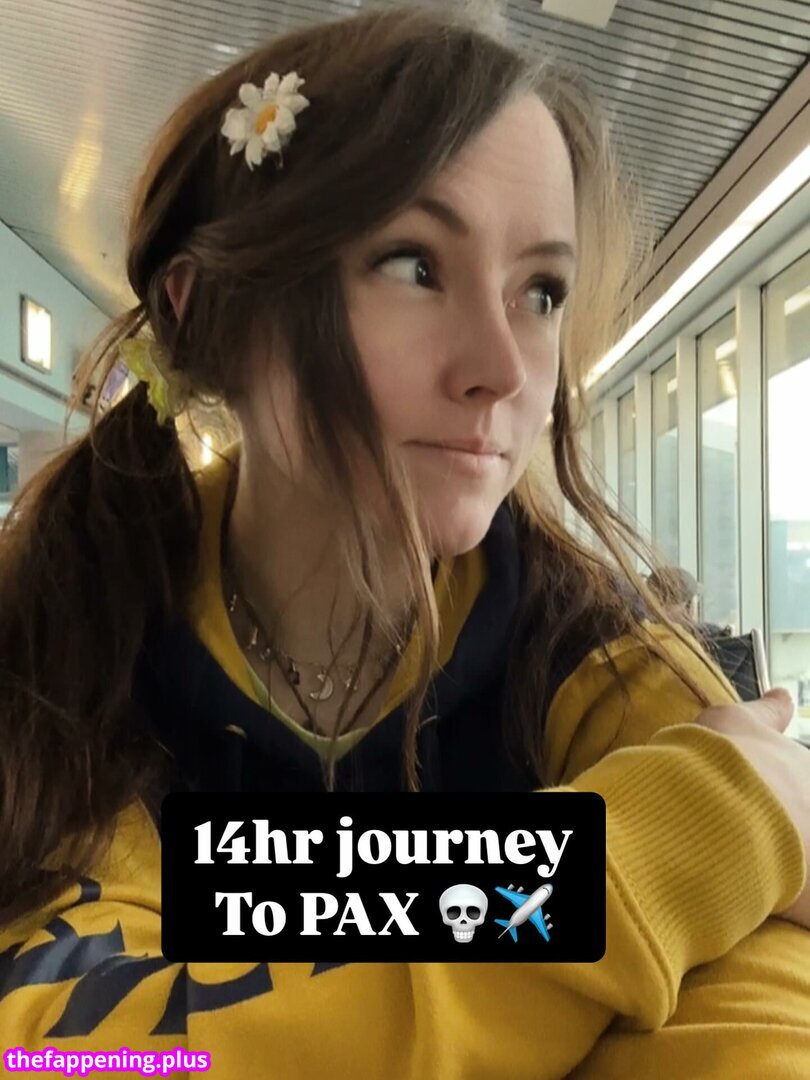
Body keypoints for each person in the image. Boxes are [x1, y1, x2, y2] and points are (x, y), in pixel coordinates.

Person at [0, 4, 807, 1078]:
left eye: (541, 292)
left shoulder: (602, 662)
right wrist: (656, 853)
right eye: (414, 265)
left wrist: (232, 904)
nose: (504, 369)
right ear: (205, 315)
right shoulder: (59, 638)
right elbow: (67, 1048)